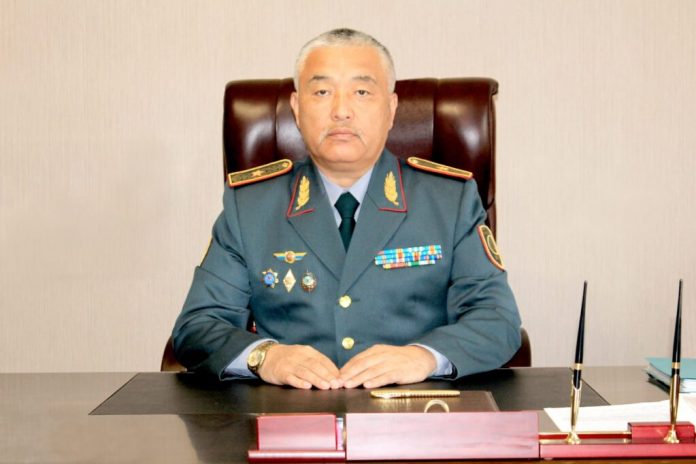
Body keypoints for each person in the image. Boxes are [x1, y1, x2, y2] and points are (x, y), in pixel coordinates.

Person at [172, 28, 521, 390]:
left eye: (362, 92)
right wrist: (264, 356)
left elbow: (498, 321)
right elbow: (197, 326)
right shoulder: (250, 207)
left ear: (391, 109)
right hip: (290, 411)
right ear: (296, 109)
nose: (341, 111)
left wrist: (423, 357)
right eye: (322, 92)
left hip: (414, 409)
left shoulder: (449, 201)